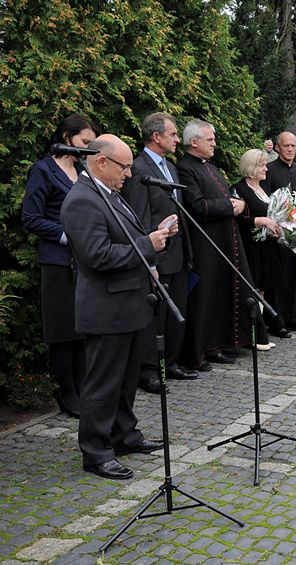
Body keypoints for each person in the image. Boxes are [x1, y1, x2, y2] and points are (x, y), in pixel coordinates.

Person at [60, 134, 176, 479]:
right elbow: (97, 257)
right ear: (100, 162)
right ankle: (96, 452)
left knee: (125, 380)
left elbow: (124, 241)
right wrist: (148, 243)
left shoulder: (109, 194)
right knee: (103, 383)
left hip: (128, 303)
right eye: (124, 166)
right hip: (106, 308)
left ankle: (123, 434)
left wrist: (155, 236)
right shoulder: (82, 200)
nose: (129, 173)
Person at [22, 113, 98, 417]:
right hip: (57, 261)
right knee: (63, 329)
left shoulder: (83, 170)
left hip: (85, 261)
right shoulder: (42, 170)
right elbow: (30, 217)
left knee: (82, 327)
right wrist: (64, 235)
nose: (89, 148)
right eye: (85, 142)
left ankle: (83, 389)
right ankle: (67, 393)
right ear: (67, 138)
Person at [123, 112, 198, 393]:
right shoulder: (139, 169)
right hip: (157, 255)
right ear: (156, 137)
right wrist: (149, 258)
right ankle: (150, 370)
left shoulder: (171, 167)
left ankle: (171, 361)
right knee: (156, 316)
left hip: (178, 253)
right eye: (173, 134)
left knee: (176, 310)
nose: (178, 139)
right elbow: (139, 217)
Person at [178, 119, 256, 368]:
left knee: (220, 295)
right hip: (205, 243)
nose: (214, 144)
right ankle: (198, 351)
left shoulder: (210, 167)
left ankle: (216, 345)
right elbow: (197, 206)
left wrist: (239, 204)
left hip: (224, 239)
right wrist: (231, 206)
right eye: (210, 140)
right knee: (204, 298)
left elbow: (225, 197)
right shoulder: (185, 168)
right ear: (194, 142)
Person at [232, 149, 289, 346]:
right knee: (254, 290)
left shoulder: (263, 188)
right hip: (252, 247)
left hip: (267, 246)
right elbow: (238, 221)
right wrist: (260, 221)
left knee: (263, 290)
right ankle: (254, 336)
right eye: (262, 165)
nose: (266, 168)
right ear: (251, 167)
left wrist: (277, 226)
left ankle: (259, 332)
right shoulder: (239, 189)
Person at [262, 131, 296, 333]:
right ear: (277, 148)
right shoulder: (271, 170)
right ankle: (278, 321)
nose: (291, 149)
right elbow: (267, 201)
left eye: (293, 145)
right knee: (281, 277)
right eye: (286, 146)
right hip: (279, 233)